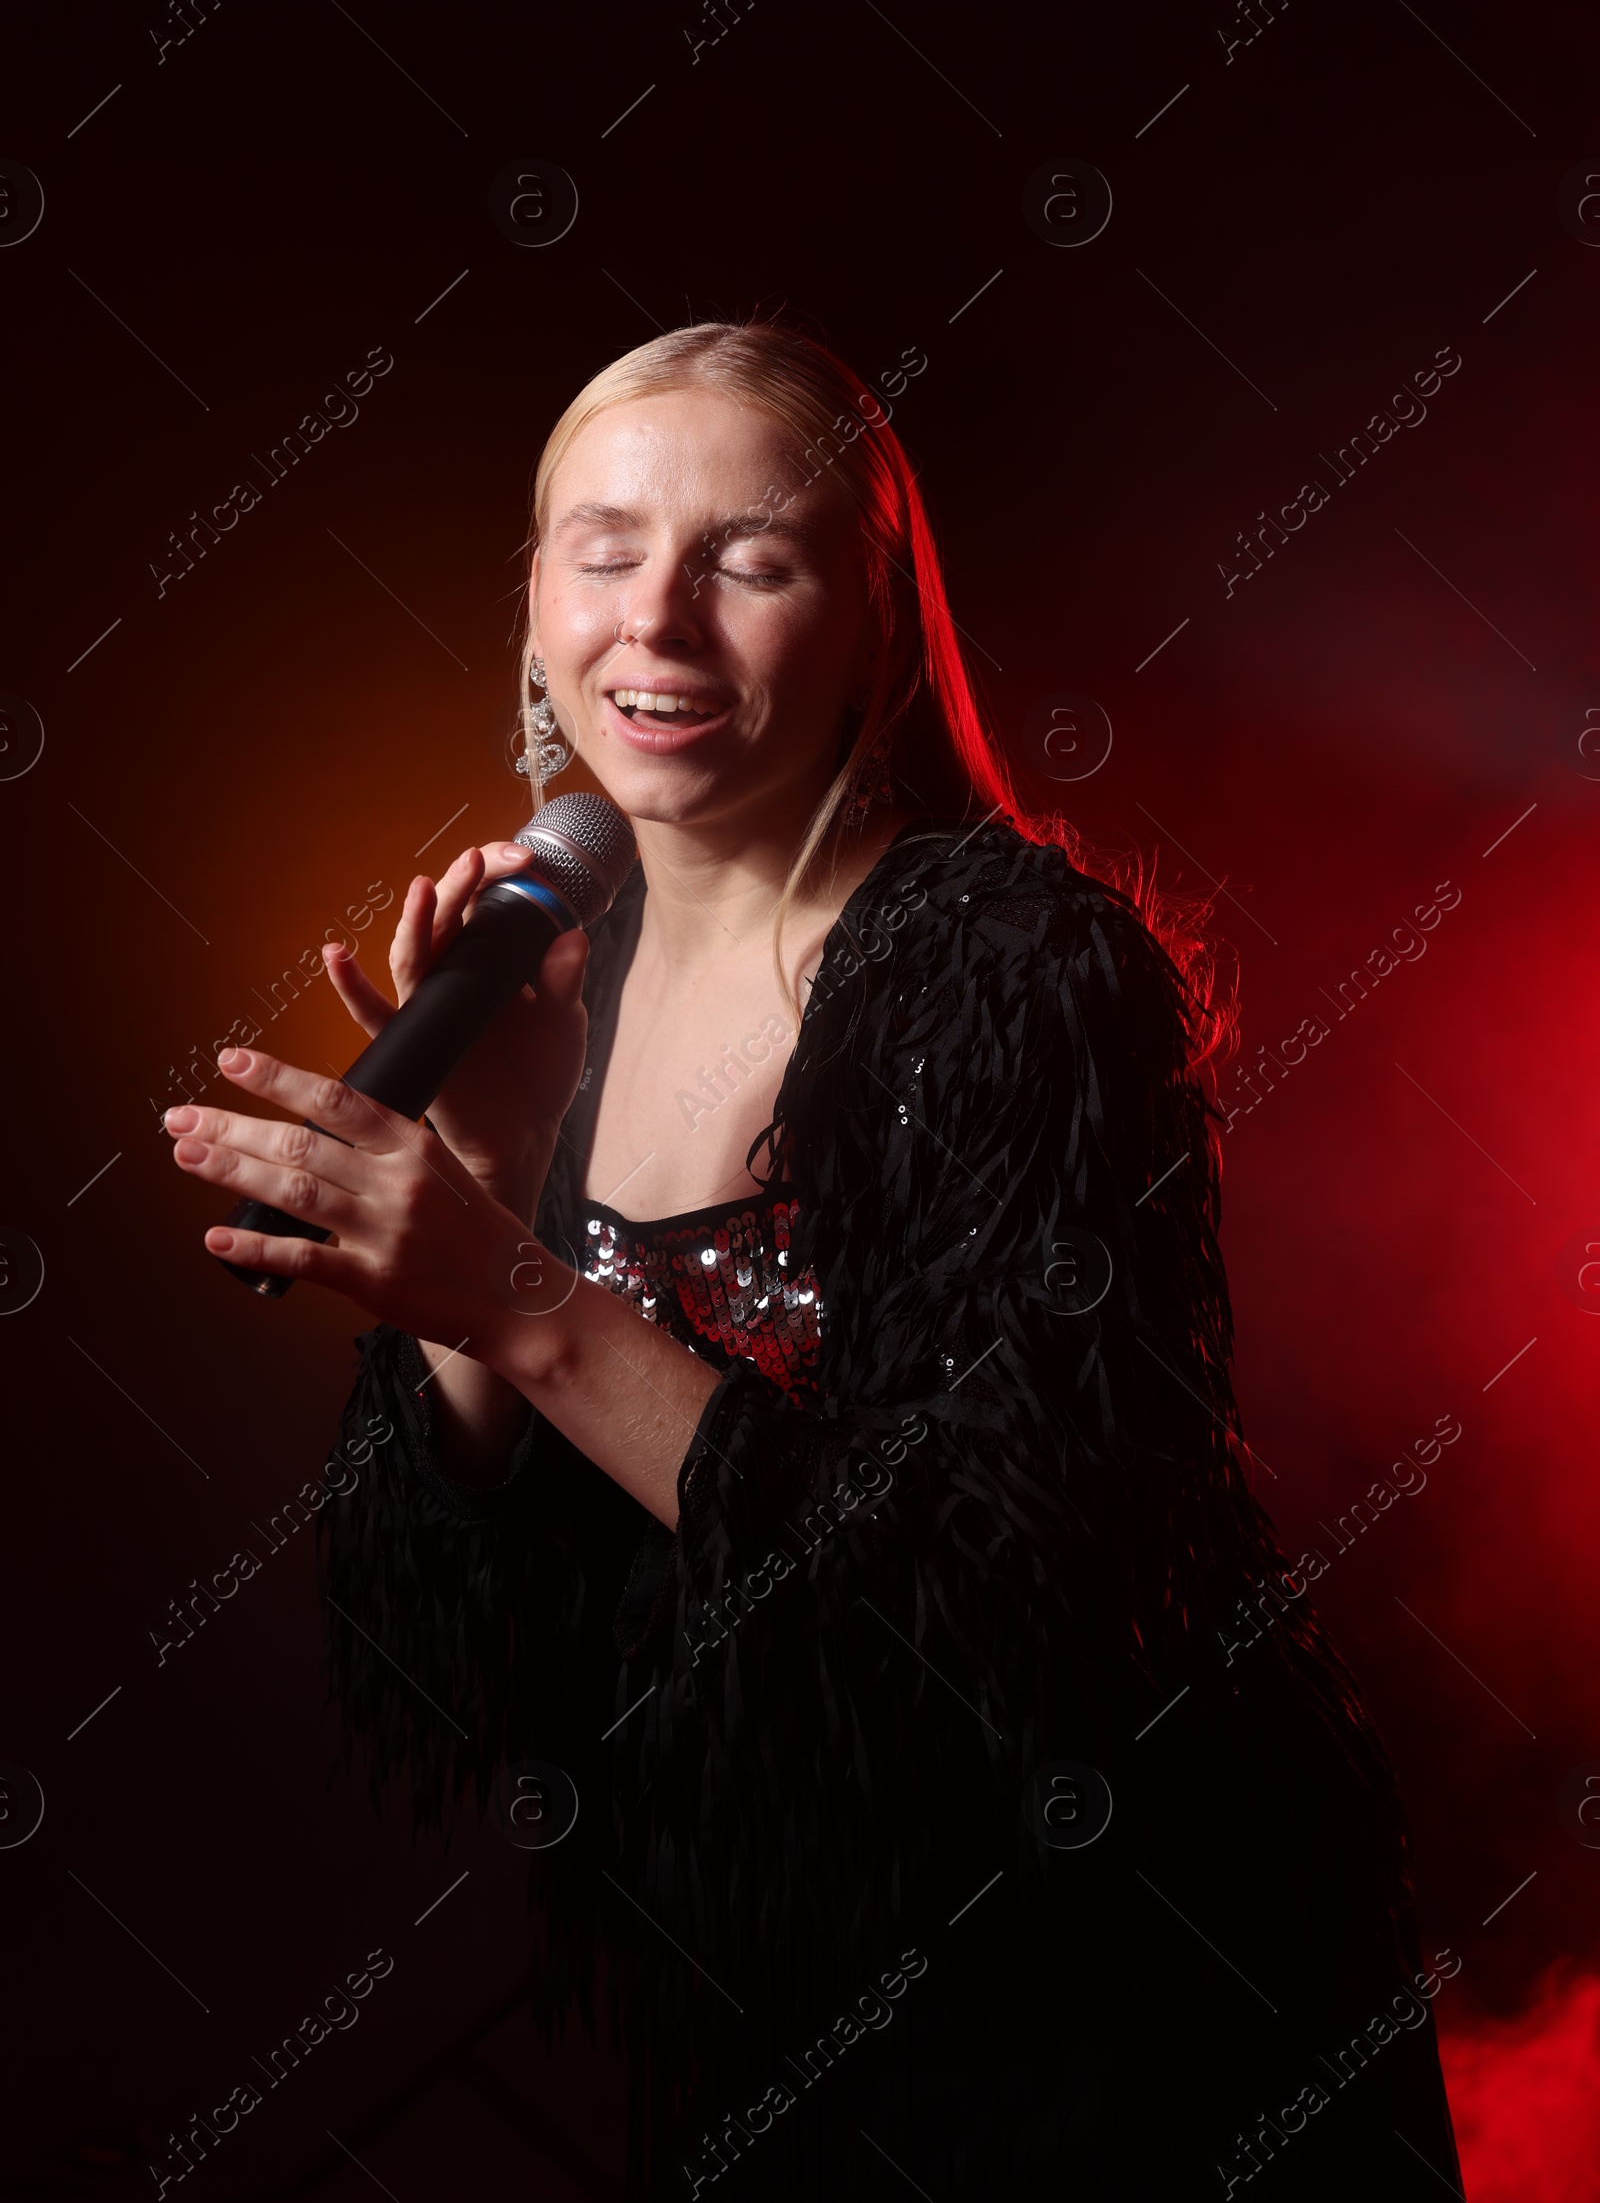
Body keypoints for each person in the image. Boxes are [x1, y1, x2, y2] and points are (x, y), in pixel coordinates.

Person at [165, 321, 1463, 2198]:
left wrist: (515, 1298)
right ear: (530, 603)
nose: (658, 624)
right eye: (603, 550)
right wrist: (499, 1167)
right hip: (771, 1986)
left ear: (873, 618)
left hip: (1127, 2002)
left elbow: (1003, 1623)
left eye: (748, 562)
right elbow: (461, 1658)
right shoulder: (548, 991)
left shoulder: (1017, 977)